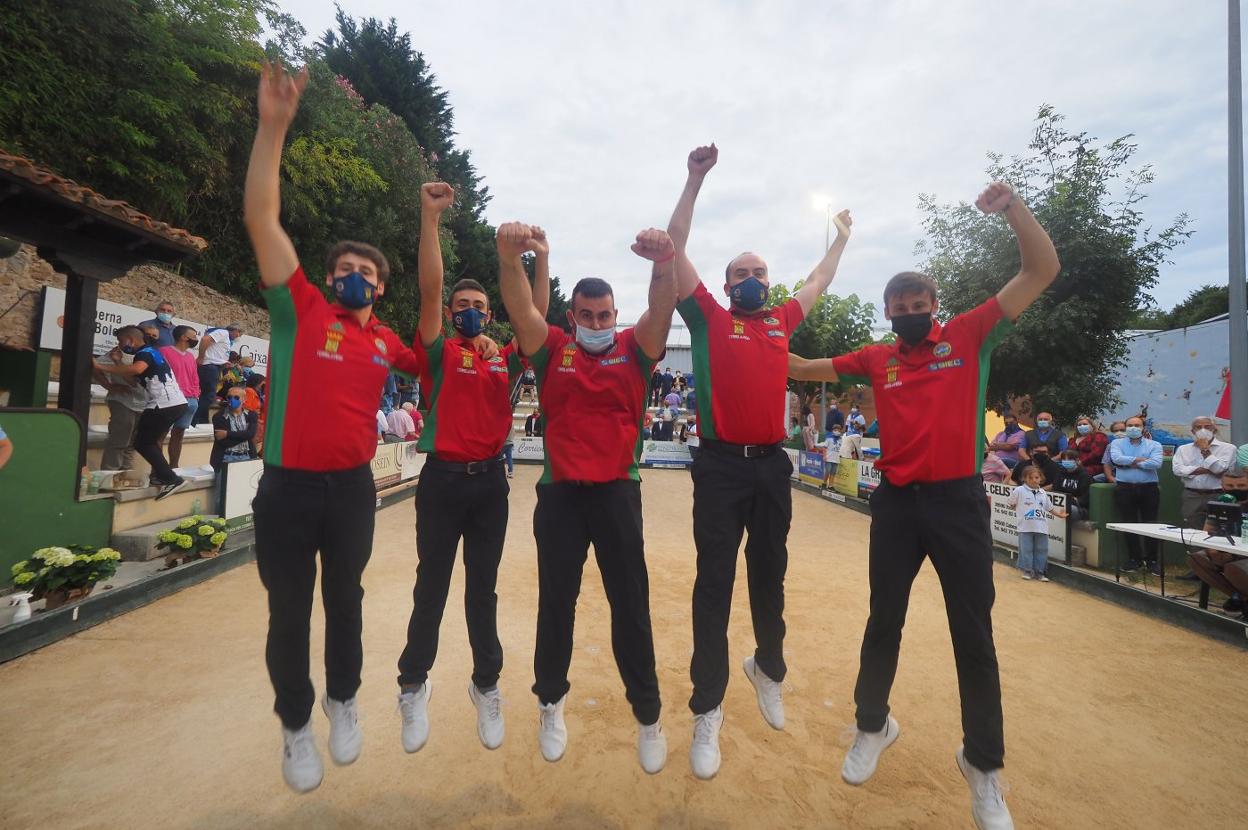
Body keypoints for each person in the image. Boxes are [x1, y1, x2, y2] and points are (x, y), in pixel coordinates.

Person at [789, 179, 1060, 830]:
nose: (910, 309)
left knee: (974, 635)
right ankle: (872, 727)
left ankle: (984, 767)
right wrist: (761, 346)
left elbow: (1042, 268)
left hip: (959, 502)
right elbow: (806, 366)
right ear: (889, 312)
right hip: (897, 507)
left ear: (935, 305)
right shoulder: (878, 358)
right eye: (900, 303)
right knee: (884, 621)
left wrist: (1013, 210)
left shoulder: (968, 335)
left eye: (919, 301)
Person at [242, 63, 428, 794]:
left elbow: (438, 348)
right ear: (329, 276)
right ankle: (295, 723)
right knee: (288, 611)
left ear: (381, 289)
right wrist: (274, 125)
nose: (354, 275)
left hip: (352, 489)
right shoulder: (301, 311)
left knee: (344, 602)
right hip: (286, 489)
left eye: (366, 272)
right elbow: (262, 218)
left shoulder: (386, 342)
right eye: (344, 267)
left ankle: (342, 700)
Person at [667, 142, 853, 780]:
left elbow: (820, 281)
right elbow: (674, 242)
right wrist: (694, 180)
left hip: (773, 465)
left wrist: (841, 239)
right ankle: (707, 710)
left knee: (769, 574)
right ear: (724, 284)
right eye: (742, 272)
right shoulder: (708, 318)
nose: (754, 279)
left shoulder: (781, 321)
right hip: (720, 467)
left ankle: (766, 669)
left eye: (761, 272)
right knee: (713, 584)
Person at [498, 220, 677, 775]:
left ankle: (648, 716)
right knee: (557, 605)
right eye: (587, 315)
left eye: (605, 315)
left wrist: (664, 260)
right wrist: (510, 258)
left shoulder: (635, 347)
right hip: (560, 498)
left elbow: (662, 304)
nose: (597, 323)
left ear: (615, 315)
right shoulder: (552, 349)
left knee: (632, 608)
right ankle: (550, 704)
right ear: (571, 316)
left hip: (618, 495)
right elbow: (521, 306)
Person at [395, 182, 546, 757]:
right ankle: (412, 683)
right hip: (441, 481)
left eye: (480, 308)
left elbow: (531, 311)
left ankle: (486, 685)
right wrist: (429, 219)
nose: (472, 313)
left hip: (490, 484)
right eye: (465, 307)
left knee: (482, 590)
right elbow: (430, 288)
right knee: (430, 586)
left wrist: (539, 259)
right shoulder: (438, 349)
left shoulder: (504, 356)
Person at [93, 325, 189, 500]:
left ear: (130, 340)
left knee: (144, 444)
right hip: (174, 404)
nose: (120, 344)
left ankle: (170, 478)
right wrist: (117, 362)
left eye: (121, 341)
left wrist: (101, 366)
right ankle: (165, 476)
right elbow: (132, 380)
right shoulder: (152, 353)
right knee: (144, 442)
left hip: (163, 404)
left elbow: (135, 369)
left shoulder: (145, 353)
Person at [1187, 465, 1248, 616]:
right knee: (1198, 558)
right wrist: (1213, 550)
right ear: (1222, 486)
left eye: (1241, 486)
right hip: (1227, 549)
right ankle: (1239, 597)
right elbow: (1207, 532)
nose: (1236, 489)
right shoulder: (1219, 502)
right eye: (1230, 486)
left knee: (1234, 567)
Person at [1108, 415, 1164, 574]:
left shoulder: (1155, 444)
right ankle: (1135, 559)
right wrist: (1141, 461)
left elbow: (1156, 463)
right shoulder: (1116, 443)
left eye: (1137, 425)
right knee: (1129, 523)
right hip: (1125, 488)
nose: (1133, 428)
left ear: (1143, 428)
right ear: (1126, 428)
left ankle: (1152, 561)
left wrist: (1129, 462)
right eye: (1130, 425)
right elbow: (1116, 458)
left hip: (1149, 488)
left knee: (1151, 524)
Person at [1171, 416, 1236, 530]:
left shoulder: (1229, 448)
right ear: (1192, 431)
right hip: (1192, 496)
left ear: (1214, 430)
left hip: (1218, 495)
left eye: (1207, 427)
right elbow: (1178, 470)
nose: (1203, 430)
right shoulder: (1183, 449)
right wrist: (1209, 470)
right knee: (1191, 531)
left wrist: (1205, 450)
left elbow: (1220, 469)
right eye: (1198, 427)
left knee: (1218, 530)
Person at [1006, 465, 1069, 581]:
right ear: (1024, 478)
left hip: (1041, 527)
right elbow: (1010, 503)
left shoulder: (1043, 493)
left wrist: (1059, 515)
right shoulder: (1019, 490)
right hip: (1025, 527)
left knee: (1042, 549)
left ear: (1041, 478)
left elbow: (1049, 508)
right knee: (1026, 549)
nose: (1034, 480)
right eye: (1030, 478)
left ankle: (1040, 572)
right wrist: (1015, 506)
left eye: (1036, 477)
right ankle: (1027, 571)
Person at [93, 345, 147, 471]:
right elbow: (95, 368)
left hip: (143, 404)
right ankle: (110, 475)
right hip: (123, 402)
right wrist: (109, 386)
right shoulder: (116, 353)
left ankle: (126, 473)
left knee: (132, 444)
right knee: (119, 441)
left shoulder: (149, 354)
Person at [160, 325, 201, 468]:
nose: (196, 339)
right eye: (194, 335)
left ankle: (174, 467)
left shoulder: (190, 356)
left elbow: (195, 377)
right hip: (171, 399)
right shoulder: (164, 352)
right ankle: (157, 469)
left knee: (179, 435)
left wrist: (195, 395)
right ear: (184, 337)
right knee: (161, 434)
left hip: (190, 400)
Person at [210, 386, 258, 511]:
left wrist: (228, 433)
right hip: (226, 457)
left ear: (244, 399)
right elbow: (222, 441)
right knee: (222, 496)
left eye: (236, 397)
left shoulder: (251, 415)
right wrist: (244, 434)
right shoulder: (219, 416)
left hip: (246, 456)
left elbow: (251, 434)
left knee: (243, 493)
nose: (232, 400)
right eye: (229, 397)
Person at [194, 322, 242, 425]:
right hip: (209, 366)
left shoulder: (227, 339)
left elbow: (216, 354)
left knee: (207, 395)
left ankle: (200, 419)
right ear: (235, 330)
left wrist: (223, 363)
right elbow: (205, 339)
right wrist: (201, 357)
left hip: (214, 367)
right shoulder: (223, 332)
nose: (239, 337)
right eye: (239, 333)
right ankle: (197, 420)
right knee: (208, 395)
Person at [1049, 449, 1092, 519]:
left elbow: (1085, 499)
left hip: (1079, 508)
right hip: (1060, 503)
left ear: (1077, 460)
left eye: (1069, 459)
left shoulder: (1085, 476)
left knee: (1069, 509)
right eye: (1064, 459)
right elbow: (1055, 491)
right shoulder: (1059, 474)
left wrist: (1071, 500)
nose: (1066, 461)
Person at [1072, 416, 1109, 480]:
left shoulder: (1099, 436)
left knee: (1076, 474)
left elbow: (1096, 453)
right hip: (1072, 465)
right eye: (1079, 425)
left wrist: (1080, 462)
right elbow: (1067, 453)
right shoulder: (1073, 439)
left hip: (1092, 466)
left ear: (1092, 426)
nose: (1082, 426)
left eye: (1085, 424)